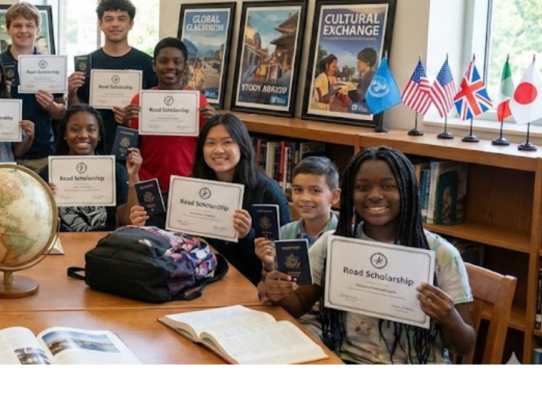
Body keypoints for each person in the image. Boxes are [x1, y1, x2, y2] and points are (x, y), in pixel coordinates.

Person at [261, 146, 475, 364]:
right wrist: (279, 289)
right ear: (350, 195)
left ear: (408, 189)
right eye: (362, 187)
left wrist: (449, 318)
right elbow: (298, 305)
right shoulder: (332, 244)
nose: (374, 195)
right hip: (343, 360)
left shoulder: (442, 254)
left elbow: (464, 345)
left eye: (388, 186)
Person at [117, 37, 215, 227]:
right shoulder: (141, 100)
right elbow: (129, 149)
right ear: (154, 66)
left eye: (177, 62)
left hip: (186, 186)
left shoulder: (198, 102)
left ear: (185, 66)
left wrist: (214, 120)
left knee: (182, 244)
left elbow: (209, 144)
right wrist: (125, 123)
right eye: (163, 61)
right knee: (150, 242)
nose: (170, 66)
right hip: (148, 186)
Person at [191, 113, 290, 285]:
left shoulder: (268, 194)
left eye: (227, 142)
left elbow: (281, 261)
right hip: (199, 277)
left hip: (248, 284)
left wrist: (246, 236)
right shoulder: (193, 184)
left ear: (242, 146)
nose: (218, 150)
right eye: (210, 143)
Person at [254, 156, 340, 336]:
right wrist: (268, 267)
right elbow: (263, 286)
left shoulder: (343, 237)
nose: (305, 198)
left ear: (334, 196)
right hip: (287, 313)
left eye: (315, 191)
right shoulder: (285, 232)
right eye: (298, 190)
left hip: (324, 323)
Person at [67, 0, 159, 154]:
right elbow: (76, 112)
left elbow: (155, 112)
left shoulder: (147, 63)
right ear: (100, 23)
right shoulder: (87, 63)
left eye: (121, 19)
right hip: (94, 147)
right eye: (109, 19)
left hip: (138, 148)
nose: (115, 24)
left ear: (131, 24)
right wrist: (71, 91)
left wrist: (131, 117)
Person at [38, 104, 147, 231]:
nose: (83, 135)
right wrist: (44, 201)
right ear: (64, 134)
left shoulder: (115, 171)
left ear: (99, 135)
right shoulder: (48, 172)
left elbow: (128, 220)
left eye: (91, 129)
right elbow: (40, 224)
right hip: (64, 245)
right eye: (74, 129)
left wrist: (133, 176)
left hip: (104, 246)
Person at [0, 3, 65, 175]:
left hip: (41, 153)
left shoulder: (51, 65)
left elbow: (61, 112)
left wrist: (51, 106)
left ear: (37, 29)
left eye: (29, 25)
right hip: (2, 153)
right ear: (7, 29)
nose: (24, 30)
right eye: (17, 25)